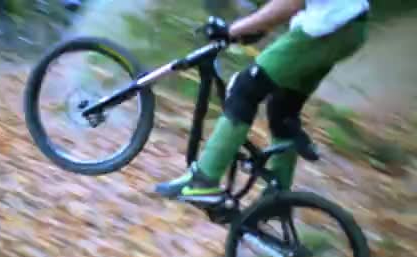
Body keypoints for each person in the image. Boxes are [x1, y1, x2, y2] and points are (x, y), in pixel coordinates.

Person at [156, 0, 370, 204]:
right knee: (283, 109)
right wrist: (260, 28)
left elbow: (290, 3)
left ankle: (204, 181)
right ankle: (277, 199)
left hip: (329, 27)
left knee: (245, 88)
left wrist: (234, 30)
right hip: (348, 26)